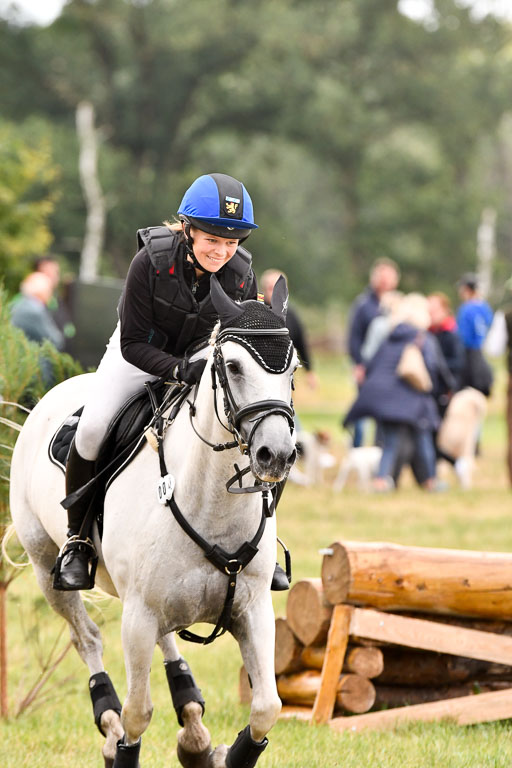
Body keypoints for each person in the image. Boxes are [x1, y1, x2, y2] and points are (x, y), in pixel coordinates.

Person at [54, 173, 289, 592]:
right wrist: (177, 370)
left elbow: (238, 340)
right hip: (140, 354)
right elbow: (131, 342)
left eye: (232, 242)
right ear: (188, 229)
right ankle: (77, 541)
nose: (222, 251)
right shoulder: (149, 261)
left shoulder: (241, 276)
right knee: (91, 428)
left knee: (266, 432)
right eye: (212, 239)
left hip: (203, 360)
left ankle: (264, 539)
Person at [343, 293, 442, 491]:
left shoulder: (391, 337)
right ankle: (429, 481)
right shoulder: (423, 339)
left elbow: (371, 365)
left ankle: (381, 480)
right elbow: (433, 369)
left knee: (389, 441)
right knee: (423, 437)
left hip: (382, 398)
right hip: (411, 400)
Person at [347, 258, 400, 446]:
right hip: (366, 367)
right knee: (362, 411)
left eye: (388, 278)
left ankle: (380, 449)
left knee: (385, 412)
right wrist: (358, 365)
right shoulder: (363, 305)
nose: (384, 282)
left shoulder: (398, 304)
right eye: (381, 277)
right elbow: (354, 338)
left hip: (389, 369)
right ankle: (356, 448)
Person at [260, 269, 318, 391]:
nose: (276, 293)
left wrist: (309, 371)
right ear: (264, 290)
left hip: (284, 373)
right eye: (271, 288)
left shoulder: (291, 314)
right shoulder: (257, 311)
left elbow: (301, 342)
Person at [456, 273, 494, 396]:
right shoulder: (485, 307)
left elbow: (463, 336)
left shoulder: (466, 309)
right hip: (480, 352)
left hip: (468, 353)